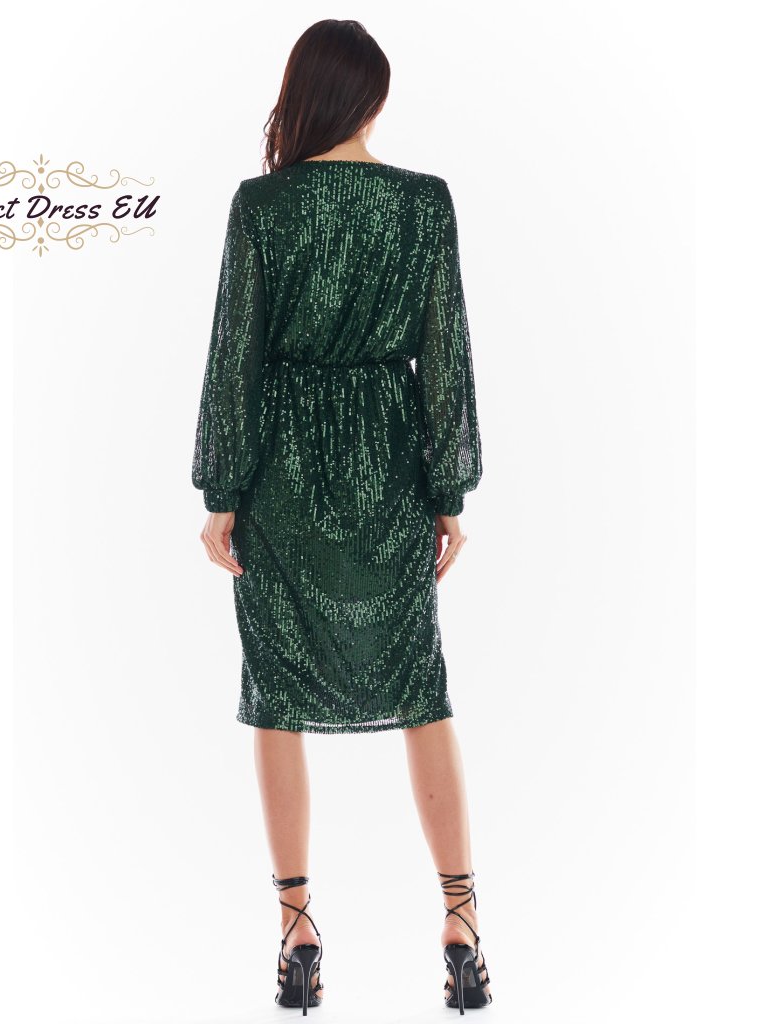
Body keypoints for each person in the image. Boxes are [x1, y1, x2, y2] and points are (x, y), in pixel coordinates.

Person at [192, 19, 490, 1014]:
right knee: (420, 685)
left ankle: (296, 927)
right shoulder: (422, 202)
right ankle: (461, 917)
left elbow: (235, 350)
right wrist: (446, 491)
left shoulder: (263, 205)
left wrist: (222, 491)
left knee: (276, 692)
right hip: (389, 468)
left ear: (302, 95)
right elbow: (444, 351)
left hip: (281, 474)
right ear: (375, 99)